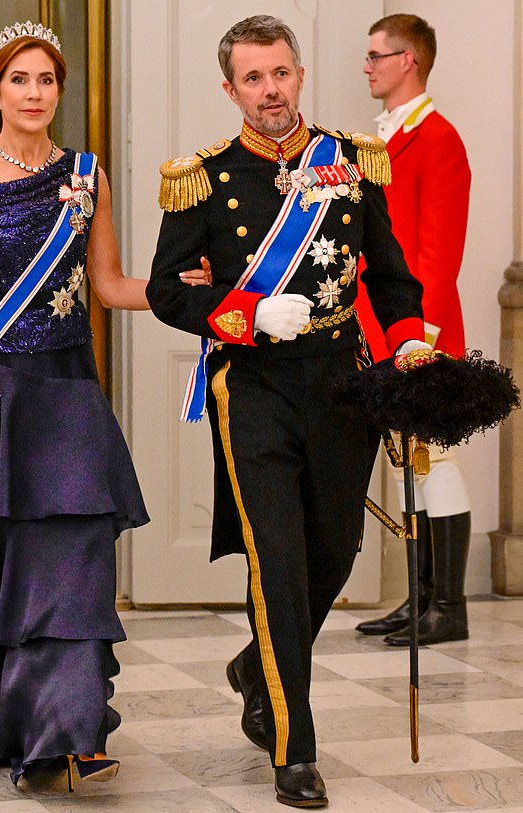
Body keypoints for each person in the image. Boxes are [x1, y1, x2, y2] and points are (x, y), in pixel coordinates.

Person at [0, 20, 209, 791]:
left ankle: (66, 732)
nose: (34, 94)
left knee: (73, 561)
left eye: (47, 81)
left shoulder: (86, 174)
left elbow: (108, 285)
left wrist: (186, 292)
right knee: (2, 572)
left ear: (59, 92)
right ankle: (10, 723)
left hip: (69, 393)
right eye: (20, 81)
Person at [147, 14, 427, 809]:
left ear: (299, 74)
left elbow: (392, 277)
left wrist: (407, 346)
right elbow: (168, 290)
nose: (270, 91)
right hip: (257, 388)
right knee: (277, 562)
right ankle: (293, 746)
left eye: (281, 73)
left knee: (333, 553)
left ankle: (252, 666)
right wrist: (243, 313)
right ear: (230, 88)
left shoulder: (352, 162)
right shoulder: (201, 177)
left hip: (343, 383)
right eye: (253, 79)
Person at [354, 13, 472, 647]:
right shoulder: (385, 137)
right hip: (386, 329)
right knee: (409, 464)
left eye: (377, 56)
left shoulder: (438, 138)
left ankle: (448, 607)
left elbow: (438, 250)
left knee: (436, 463)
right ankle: (419, 597)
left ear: (411, 62)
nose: (367, 66)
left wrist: (416, 338)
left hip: (420, 333)